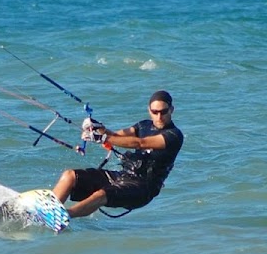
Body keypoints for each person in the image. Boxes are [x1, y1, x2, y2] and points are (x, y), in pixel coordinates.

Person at [52, 90, 184, 218]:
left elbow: (140, 143)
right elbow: (116, 136)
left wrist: (103, 138)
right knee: (70, 176)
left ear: (171, 110)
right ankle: (49, 210)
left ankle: (64, 216)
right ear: (149, 110)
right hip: (124, 176)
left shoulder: (174, 135)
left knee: (101, 195)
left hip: (144, 188)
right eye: (155, 112)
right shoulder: (144, 125)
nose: (159, 117)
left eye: (163, 112)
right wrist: (98, 128)